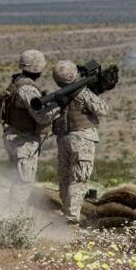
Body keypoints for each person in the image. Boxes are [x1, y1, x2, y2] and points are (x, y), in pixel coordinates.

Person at [0, 49, 58, 209]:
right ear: (38, 68)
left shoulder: (17, 82)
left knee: (20, 179)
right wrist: (58, 107)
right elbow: (41, 117)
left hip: (14, 136)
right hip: (23, 140)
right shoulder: (27, 89)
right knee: (24, 182)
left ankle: (13, 216)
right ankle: (13, 219)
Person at [51, 59, 107, 224]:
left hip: (64, 139)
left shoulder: (58, 95)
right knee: (79, 178)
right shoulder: (82, 92)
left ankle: (67, 211)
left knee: (66, 177)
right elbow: (103, 109)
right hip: (82, 139)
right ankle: (72, 218)